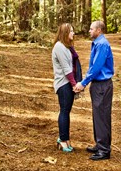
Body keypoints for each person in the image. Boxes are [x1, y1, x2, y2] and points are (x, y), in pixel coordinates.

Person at [74, 20, 114, 161]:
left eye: (91, 29)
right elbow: (93, 67)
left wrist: (83, 83)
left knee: (102, 116)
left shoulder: (102, 44)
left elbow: (97, 67)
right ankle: (100, 144)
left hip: (102, 85)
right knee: (98, 115)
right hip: (98, 85)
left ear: (99, 30)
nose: (89, 31)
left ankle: (104, 150)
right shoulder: (98, 43)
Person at [51, 23, 81, 152]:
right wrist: (75, 84)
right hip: (63, 84)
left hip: (68, 83)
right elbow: (66, 69)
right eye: (71, 31)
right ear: (64, 33)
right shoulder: (59, 47)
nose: (73, 34)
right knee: (64, 111)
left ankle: (65, 138)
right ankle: (62, 140)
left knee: (66, 111)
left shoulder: (67, 47)